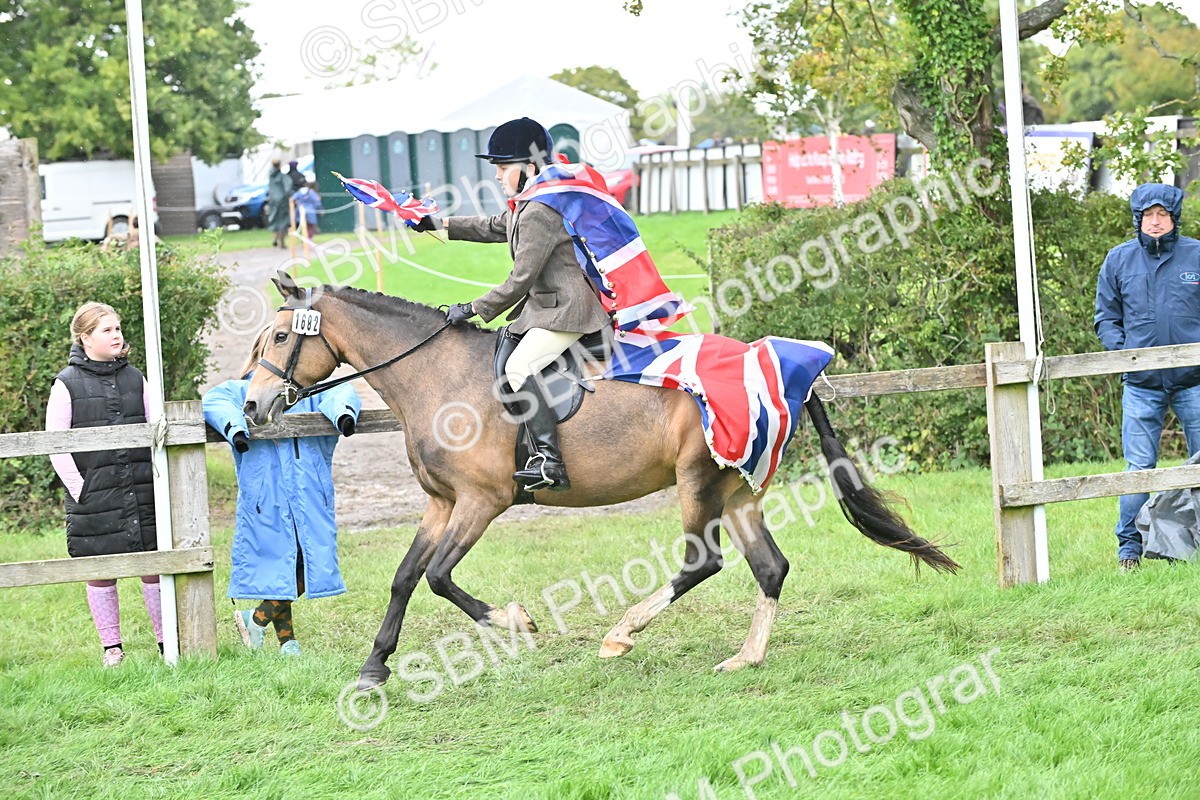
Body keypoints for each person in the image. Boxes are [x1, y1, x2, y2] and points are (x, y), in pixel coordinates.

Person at [411, 117, 611, 491]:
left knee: (517, 367)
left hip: (567, 311)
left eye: (504, 168)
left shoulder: (540, 211)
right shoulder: (528, 203)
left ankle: (550, 460)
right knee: (503, 356)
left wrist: (472, 309)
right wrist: (435, 224)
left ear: (529, 168)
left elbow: (521, 280)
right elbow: (490, 225)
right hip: (546, 308)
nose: (499, 176)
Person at [203, 327, 361, 655]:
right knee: (280, 563)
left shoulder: (308, 393)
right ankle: (283, 639)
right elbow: (215, 402)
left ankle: (260, 623)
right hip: (266, 498)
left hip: (309, 495)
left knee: (308, 561)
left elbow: (340, 393)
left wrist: (343, 414)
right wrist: (237, 427)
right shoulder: (240, 391)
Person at [45, 302, 160, 667]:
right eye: (107, 330)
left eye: (118, 329)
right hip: (94, 495)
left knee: (154, 567)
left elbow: (156, 431)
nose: (117, 335)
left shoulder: (136, 378)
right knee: (100, 571)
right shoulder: (66, 384)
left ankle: (165, 642)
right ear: (85, 337)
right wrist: (81, 489)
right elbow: (55, 444)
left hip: (142, 490)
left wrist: (157, 484)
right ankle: (112, 649)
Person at [1095, 183, 1200, 572]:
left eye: (1163, 215)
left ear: (1174, 218)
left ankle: (1194, 543)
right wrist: (1126, 354)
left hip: (1195, 380)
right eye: (1148, 215)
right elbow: (1106, 317)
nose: (1155, 222)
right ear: (1137, 219)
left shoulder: (1197, 254)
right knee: (1139, 469)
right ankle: (1129, 551)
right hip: (1141, 385)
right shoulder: (1118, 260)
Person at [266, 157, 290, 248]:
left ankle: (275, 238)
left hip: (273, 201)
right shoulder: (282, 176)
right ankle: (282, 242)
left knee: (274, 220)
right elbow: (288, 187)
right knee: (283, 222)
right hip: (282, 202)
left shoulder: (270, 175)